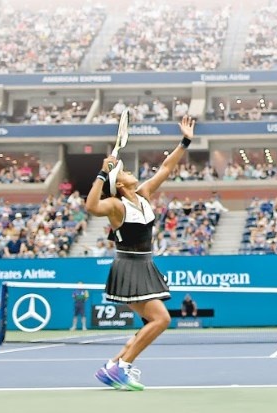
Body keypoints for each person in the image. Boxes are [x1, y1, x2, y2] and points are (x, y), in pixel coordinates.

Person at [85, 114, 196, 391]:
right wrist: (101, 174)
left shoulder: (144, 194)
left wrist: (184, 142)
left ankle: (113, 365)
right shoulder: (115, 205)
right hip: (129, 266)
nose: (129, 171)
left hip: (144, 265)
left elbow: (166, 168)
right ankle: (121, 368)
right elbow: (90, 207)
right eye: (123, 171)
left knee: (152, 321)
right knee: (161, 319)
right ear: (119, 184)